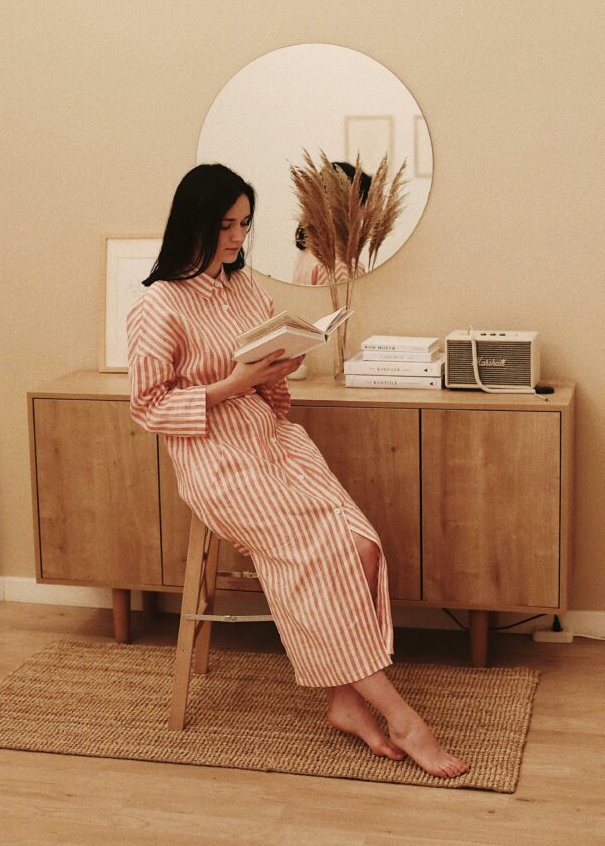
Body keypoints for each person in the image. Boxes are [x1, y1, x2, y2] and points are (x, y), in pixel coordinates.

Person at [127, 163, 468, 779]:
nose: (237, 237)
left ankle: (343, 701)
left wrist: (275, 376)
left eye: (245, 224)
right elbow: (148, 407)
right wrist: (231, 385)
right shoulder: (159, 305)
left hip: (276, 439)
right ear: (193, 221)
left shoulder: (245, 290)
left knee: (361, 545)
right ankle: (401, 717)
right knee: (315, 552)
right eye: (226, 224)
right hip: (216, 457)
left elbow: (266, 373)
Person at [292, 161, 368, 285]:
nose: (363, 213)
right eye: (362, 203)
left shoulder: (306, 254)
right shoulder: (342, 265)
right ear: (346, 205)